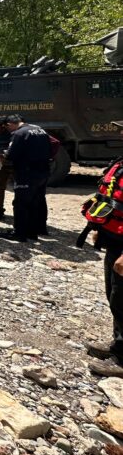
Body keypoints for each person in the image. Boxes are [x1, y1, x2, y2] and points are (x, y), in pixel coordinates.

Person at [82, 120, 123, 375]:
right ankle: (118, 343)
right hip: (115, 241)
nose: (120, 133)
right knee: (115, 296)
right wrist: (99, 229)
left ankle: (122, 360)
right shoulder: (119, 162)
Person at [0, 115, 51, 242]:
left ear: (10, 124)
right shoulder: (40, 129)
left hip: (26, 172)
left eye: (7, 127)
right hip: (43, 171)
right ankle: (32, 232)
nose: (8, 130)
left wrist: (3, 154)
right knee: (35, 202)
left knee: (20, 203)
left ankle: (19, 233)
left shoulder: (19, 134)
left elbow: (11, 155)